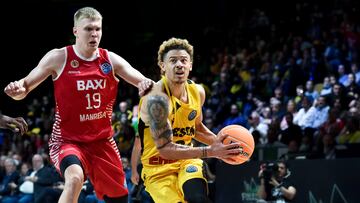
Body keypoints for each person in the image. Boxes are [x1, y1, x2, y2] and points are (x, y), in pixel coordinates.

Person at [4, 7, 153, 203]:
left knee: (120, 199)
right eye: (88, 29)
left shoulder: (110, 59)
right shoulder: (58, 58)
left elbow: (144, 81)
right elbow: (25, 87)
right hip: (68, 140)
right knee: (74, 179)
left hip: (102, 142)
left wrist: (146, 85)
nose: (94, 34)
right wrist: (17, 91)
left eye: (98, 29)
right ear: (75, 31)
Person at [138, 37, 241, 203]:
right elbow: (165, 149)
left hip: (187, 160)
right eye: (173, 60)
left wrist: (224, 147)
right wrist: (211, 151)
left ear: (190, 65)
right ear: (162, 66)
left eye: (184, 60)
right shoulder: (156, 98)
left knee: (198, 198)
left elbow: (197, 128)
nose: (179, 64)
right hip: (158, 167)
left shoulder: (198, 91)